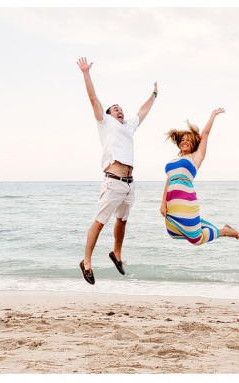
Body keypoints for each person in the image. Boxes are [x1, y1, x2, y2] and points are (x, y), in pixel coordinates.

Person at [77, 57, 158, 284]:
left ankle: (117, 254)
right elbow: (93, 98)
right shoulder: (105, 123)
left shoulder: (129, 126)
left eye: (121, 108)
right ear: (109, 114)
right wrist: (86, 73)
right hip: (113, 180)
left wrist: (154, 95)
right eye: (115, 109)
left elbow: (143, 111)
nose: (119, 110)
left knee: (122, 220)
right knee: (100, 221)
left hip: (129, 183)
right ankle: (86, 262)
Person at [160, 108, 239, 245]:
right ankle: (202, 226)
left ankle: (224, 231)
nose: (184, 142)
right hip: (172, 203)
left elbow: (205, 134)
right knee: (172, 233)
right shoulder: (173, 162)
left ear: (194, 143)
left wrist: (213, 116)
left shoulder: (196, 157)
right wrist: (163, 204)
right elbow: (168, 182)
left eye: (188, 140)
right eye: (183, 140)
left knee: (196, 239)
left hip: (186, 200)